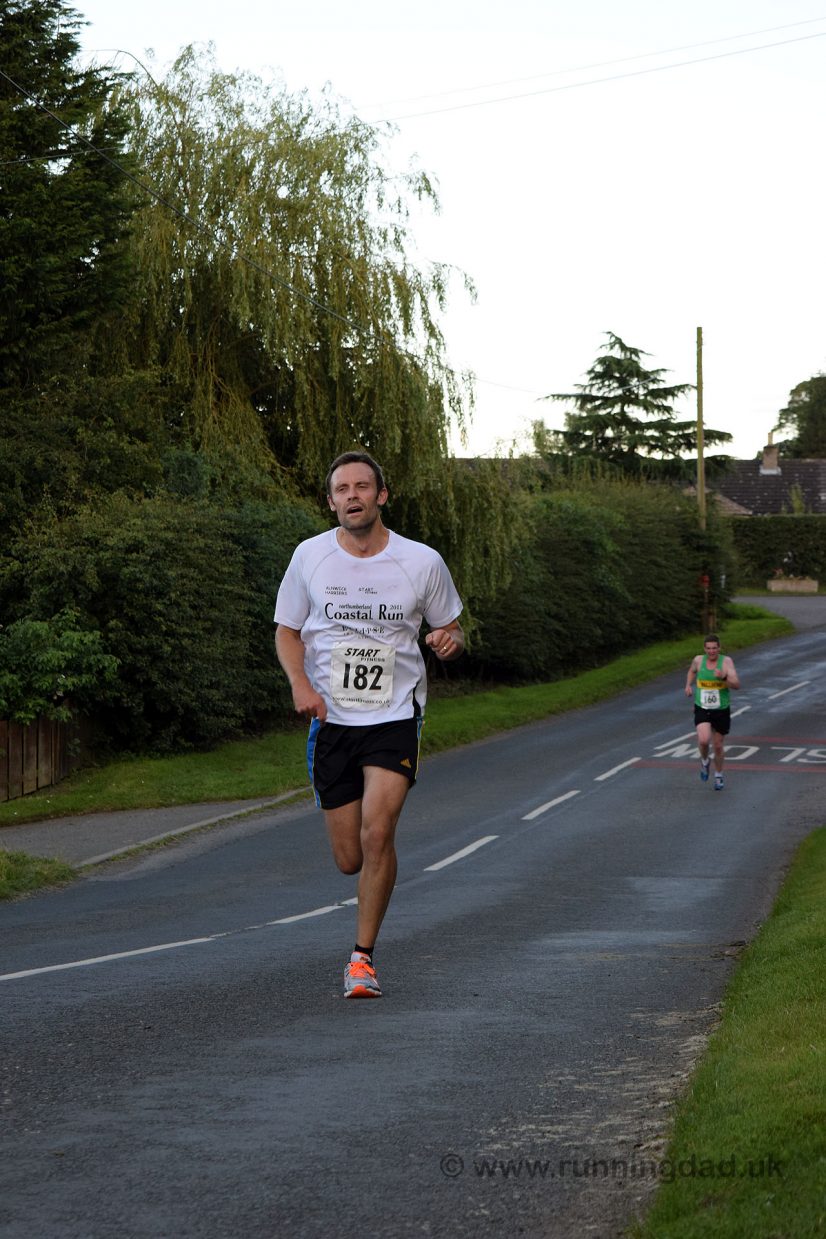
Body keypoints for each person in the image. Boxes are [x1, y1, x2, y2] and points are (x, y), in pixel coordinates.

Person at [274, 451, 464, 999]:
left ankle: (362, 960)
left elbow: (450, 629)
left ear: (383, 495)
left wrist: (448, 643)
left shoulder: (421, 561)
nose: (352, 496)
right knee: (348, 859)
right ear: (330, 500)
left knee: (378, 833)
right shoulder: (309, 557)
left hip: (395, 715)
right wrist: (300, 685)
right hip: (331, 719)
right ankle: (360, 912)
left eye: (362, 486)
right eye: (341, 489)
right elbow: (287, 631)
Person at [684, 634, 741, 791]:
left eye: (714, 648)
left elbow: (736, 685)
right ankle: (704, 762)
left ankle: (719, 775)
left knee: (717, 746)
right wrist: (688, 685)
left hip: (721, 709)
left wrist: (723, 677)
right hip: (702, 706)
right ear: (704, 649)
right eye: (708, 649)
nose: (711, 651)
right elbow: (691, 671)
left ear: (719, 648)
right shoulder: (698, 660)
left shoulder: (726, 662)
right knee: (703, 740)